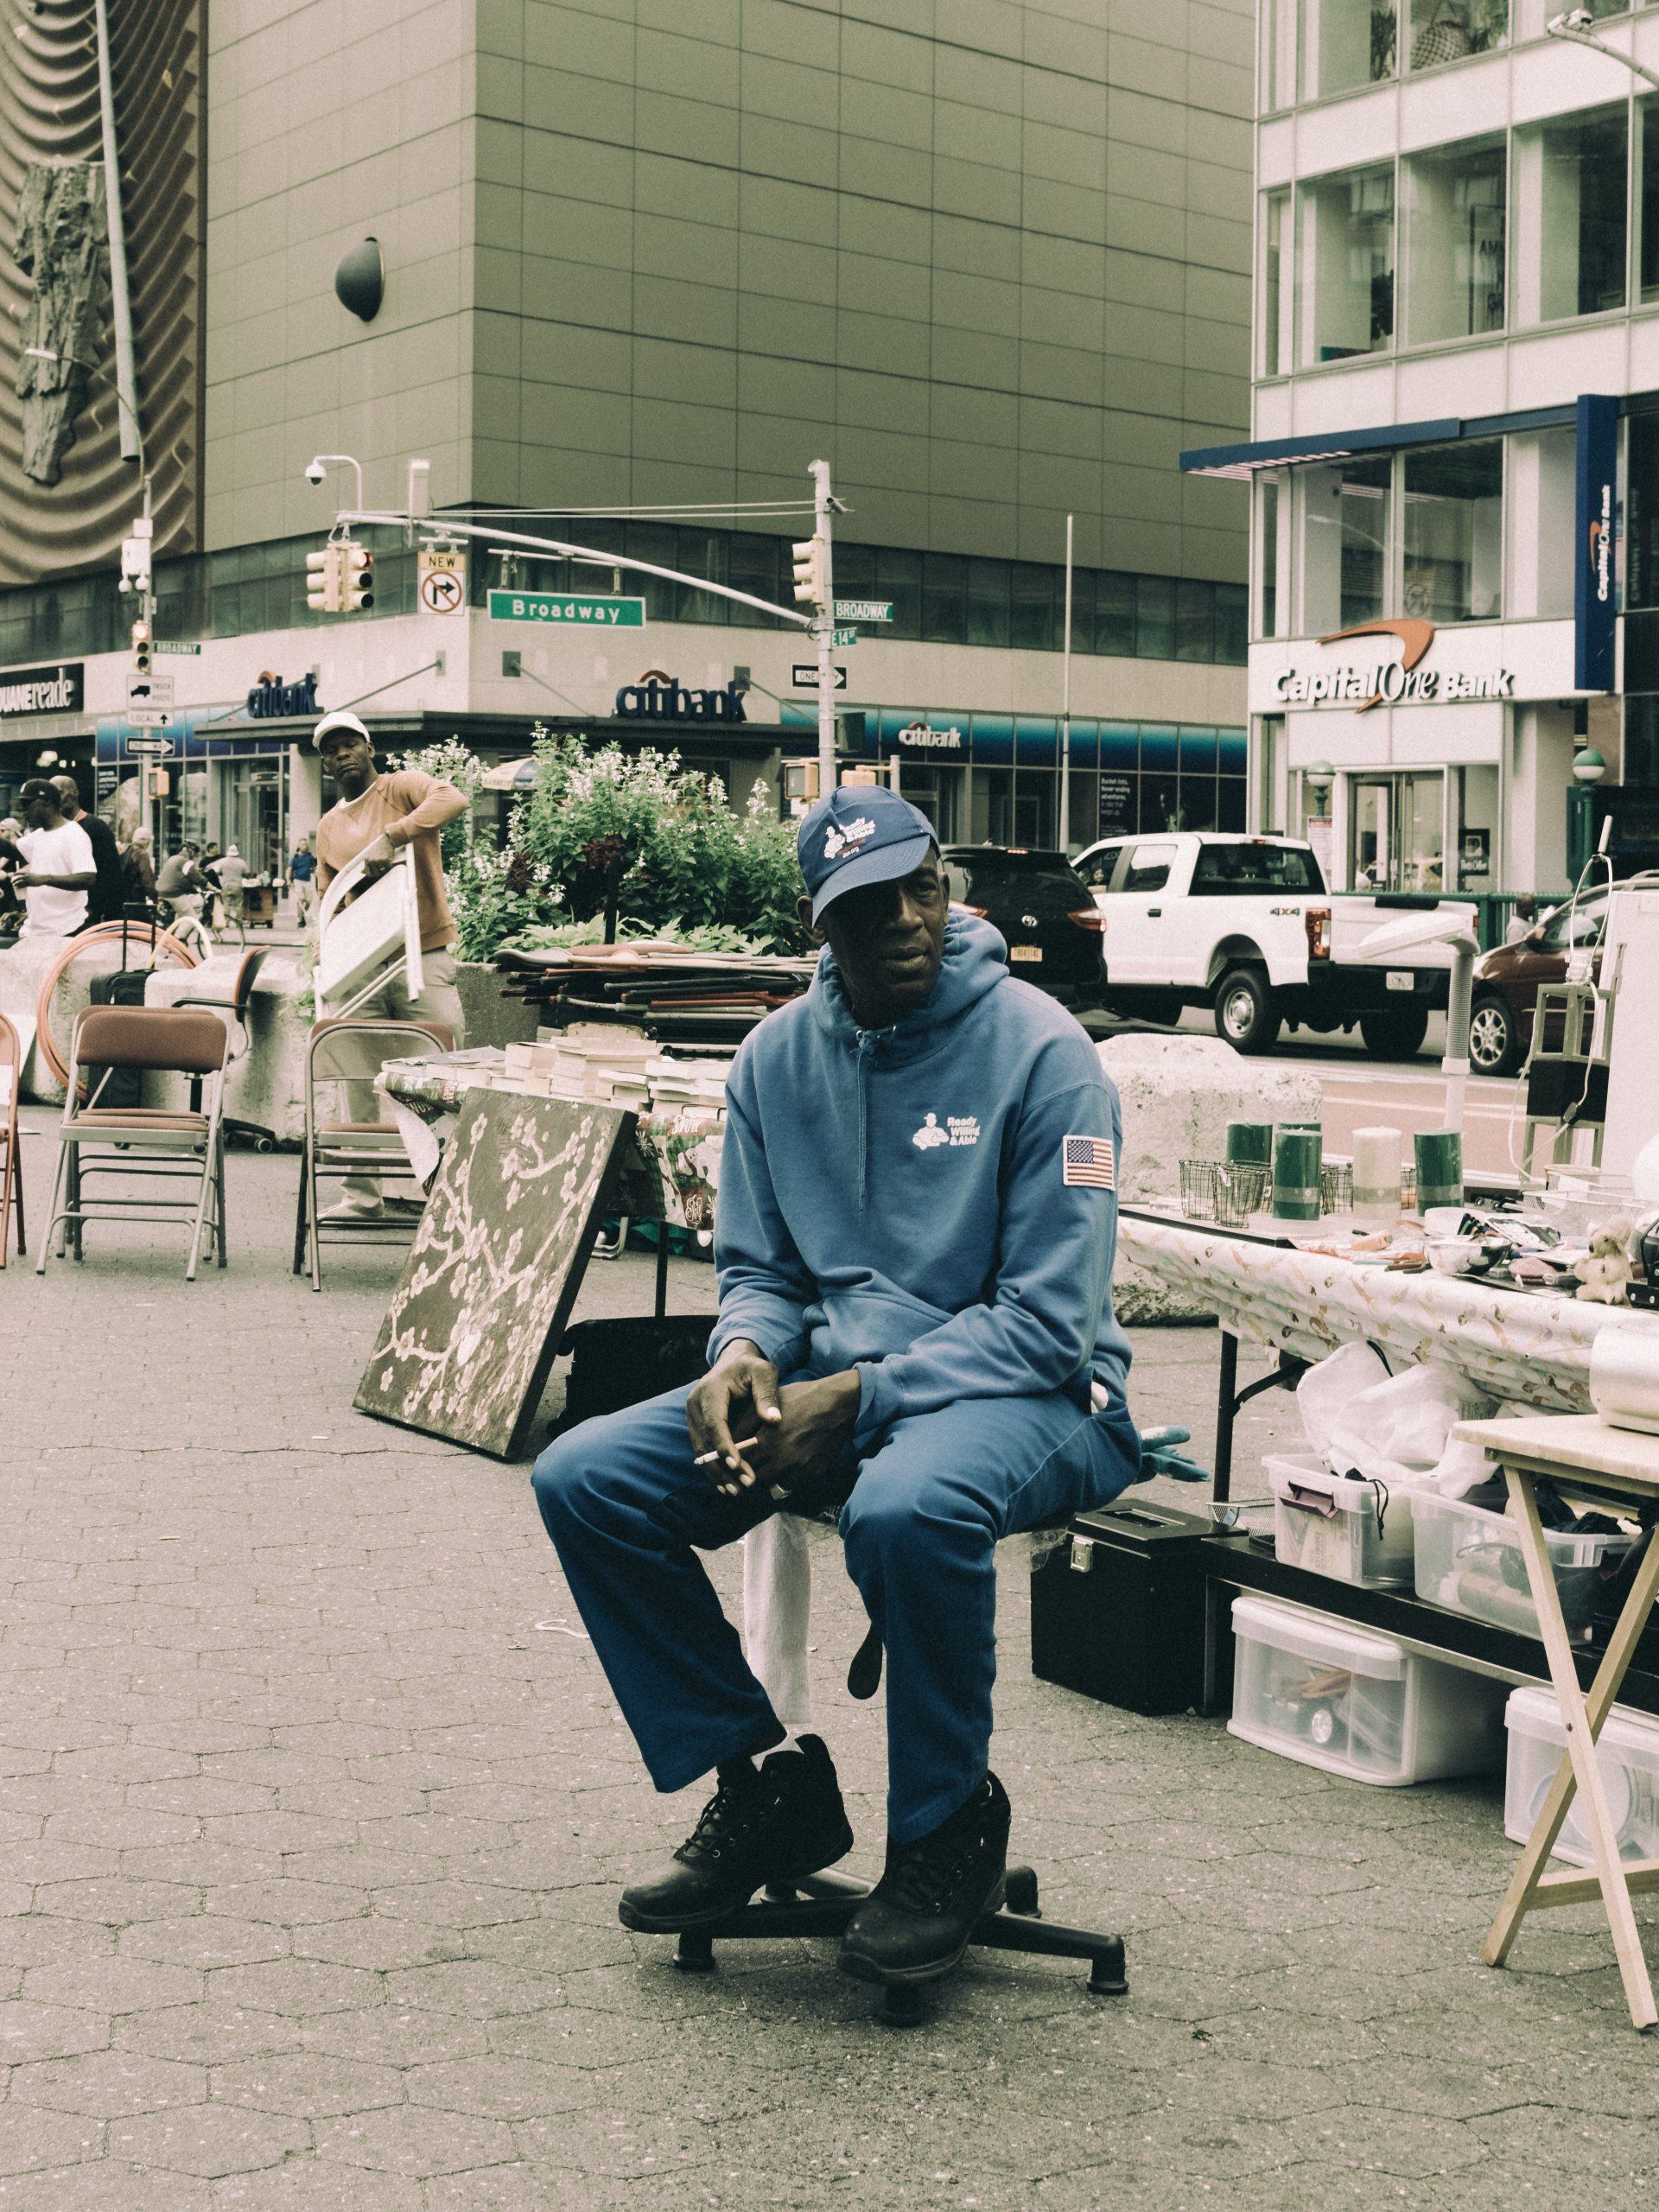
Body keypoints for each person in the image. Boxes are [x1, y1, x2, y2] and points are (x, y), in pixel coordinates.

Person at [531, 785, 1141, 1992]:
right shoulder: (773, 1063)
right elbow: (758, 1269)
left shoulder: (1047, 1056)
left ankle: (944, 1828)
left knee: (909, 1507)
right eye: (867, 908)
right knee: (587, 1478)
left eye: (923, 889)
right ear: (822, 928)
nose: (906, 921)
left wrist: (861, 1396)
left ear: (947, 889)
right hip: (833, 1384)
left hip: (1043, 1398)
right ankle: (767, 1793)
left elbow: (1051, 1325)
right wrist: (744, 1359)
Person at [311, 709, 467, 1219]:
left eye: (349, 743)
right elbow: (326, 897)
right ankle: (362, 1196)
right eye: (331, 750)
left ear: (370, 747)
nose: (341, 754)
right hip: (362, 967)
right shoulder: (329, 826)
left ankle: (452, 1194)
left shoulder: (401, 787)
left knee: (447, 1066)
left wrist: (393, 836)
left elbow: (453, 797)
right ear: (326, 765)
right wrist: (322, 957)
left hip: (423, 953)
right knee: (353, 1075)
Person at [9, 779, 97, 938]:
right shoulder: (37, 837)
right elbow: (12, 847)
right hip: (35, 931)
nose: (23, 811)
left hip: (65, 931)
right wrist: (28, 914)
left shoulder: (74, 834)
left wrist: (44, 879)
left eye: (28, 805)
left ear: (48, 803)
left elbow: (88, 878)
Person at [48, 776, 123, 927]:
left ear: (74, 793)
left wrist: (101, 911)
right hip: (63, 914)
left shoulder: (95, 827)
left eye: (59, 793)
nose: (55, 799)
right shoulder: (55, 829)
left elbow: (110, 875)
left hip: (89, 914)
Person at [210, 842, 248, 928]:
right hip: (238, 885)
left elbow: (217, 872)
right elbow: (247, 873)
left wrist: (224, 874)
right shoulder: (241, 862)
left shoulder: (223, 861)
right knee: (238, 904)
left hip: (226, 885)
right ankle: (239, 922)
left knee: (226, 904)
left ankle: (226, 922)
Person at [121, 826, 156, 909]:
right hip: (136, 897)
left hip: (123, 895)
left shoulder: (127, 850)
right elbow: (146, 878)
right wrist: (153, 897)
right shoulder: (142, 854)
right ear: (146, 841)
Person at [288, 834, 317, 925]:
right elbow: (289, 869)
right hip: (298, 881)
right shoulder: (295, 858)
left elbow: (314, 868)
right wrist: (288, 880)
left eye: (306, 844)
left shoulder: (309, 857)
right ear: (299, 846)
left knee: (309, 901)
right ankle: (300, 920)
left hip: (307, 881)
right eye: (303, 844)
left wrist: (316, 874)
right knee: (300, 899)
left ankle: (303, 915)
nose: (305, 846)